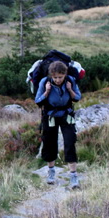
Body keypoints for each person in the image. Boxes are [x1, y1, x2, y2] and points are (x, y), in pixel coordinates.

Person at [34, 60, 81, 188]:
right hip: (50, 116)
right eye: (55, 77)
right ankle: (51, 172)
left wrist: (70, 90)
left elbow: (77, 97)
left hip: (66, 115)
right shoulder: (45, 82)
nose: (58, 80)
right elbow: (37, 100)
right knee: (49, 143)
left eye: (60, 77)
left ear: (65, 74)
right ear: (51, 75)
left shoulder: (70, 80)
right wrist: (47, 92)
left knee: (70, 142)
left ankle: (73, 175)